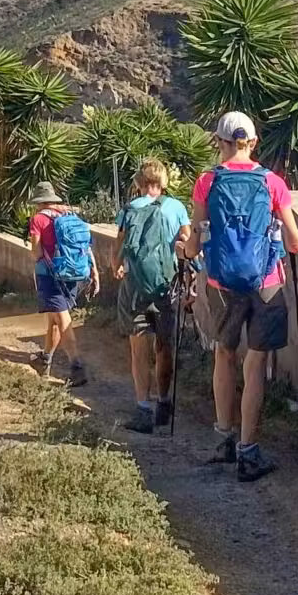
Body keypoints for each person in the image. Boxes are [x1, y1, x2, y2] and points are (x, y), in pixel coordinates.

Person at [191, 112, 298, 482]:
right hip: (266, 281)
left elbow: (194, 242)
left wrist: (185, 250)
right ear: (253, 142)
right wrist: (297, 244)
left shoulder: (206, 182)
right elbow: (294, 241)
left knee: (224, 356)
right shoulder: (273, 183)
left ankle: (223, 438)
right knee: (255, 364)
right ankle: (248, 452)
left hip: (223, 284)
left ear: (220, 142)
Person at [111, 157, 191, 434]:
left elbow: (117, 251)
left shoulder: (130, 208)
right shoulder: (177, 208)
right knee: (164, 347)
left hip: (135, 289)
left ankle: (143, 410)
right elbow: (188, 245)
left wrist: (118, 268)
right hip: (165, 287)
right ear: (163, 181)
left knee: (139, 350)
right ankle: (164, 403)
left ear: (138, 182)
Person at [27, 181, 92, 386]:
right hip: (74, 273)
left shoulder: (37, 219)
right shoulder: (67, 215)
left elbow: (36, 252)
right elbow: (85, 246)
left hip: (50, 275)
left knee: (62, 318)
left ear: (38, 201)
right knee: (53, 319)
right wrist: (94, 271)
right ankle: (45, 360)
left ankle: (77, 366)